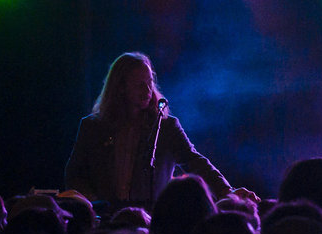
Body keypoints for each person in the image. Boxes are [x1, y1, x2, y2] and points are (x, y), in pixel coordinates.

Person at [64, 52, 244, 209]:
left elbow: (195, 161)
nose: (148, 90)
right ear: (120, 87)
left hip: (151, 221)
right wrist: (91, 201)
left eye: (150, 82)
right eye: (140, 84)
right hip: (105, 220)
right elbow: (75, 174)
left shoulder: (166, 127)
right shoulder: (93, 127)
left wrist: (228, 191)